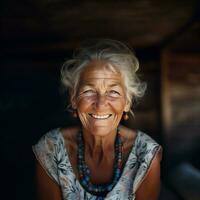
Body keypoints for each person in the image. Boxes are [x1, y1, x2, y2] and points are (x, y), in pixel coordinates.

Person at [32, 39, 162, 200]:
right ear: (74, 98)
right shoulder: (51, 150)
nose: (100, 104)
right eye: (88, 91)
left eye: (113, 92)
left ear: (127, 102)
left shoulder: (145, 154)